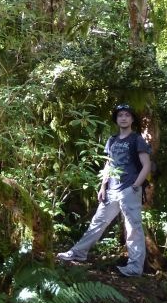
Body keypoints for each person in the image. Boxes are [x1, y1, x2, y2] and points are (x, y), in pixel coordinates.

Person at [57, 104, 152, 276]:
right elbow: (108, 164)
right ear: (116, 119)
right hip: (111, 190)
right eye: (120, 115)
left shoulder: (136, 140)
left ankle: (135, 268)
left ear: (131, 119)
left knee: (133, 229)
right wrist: (102, 186)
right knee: (98, 222)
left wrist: (136, 185)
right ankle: (78, 253)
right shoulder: (112, 140)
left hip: (130, 189)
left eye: (127, 115)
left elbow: (146, 165)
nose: (123, 118)